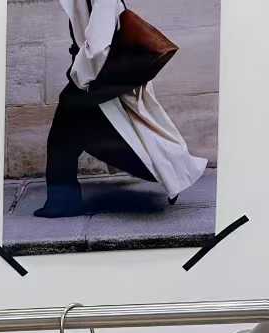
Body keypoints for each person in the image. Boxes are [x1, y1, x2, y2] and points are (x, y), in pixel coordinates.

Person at [35, 0, 207, 218]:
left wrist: (78, 77)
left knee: (67, 134)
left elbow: (98, 47)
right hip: (97, 73)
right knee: (83, 135)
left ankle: (63, 201)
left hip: (96, 74)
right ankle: (172, 172)